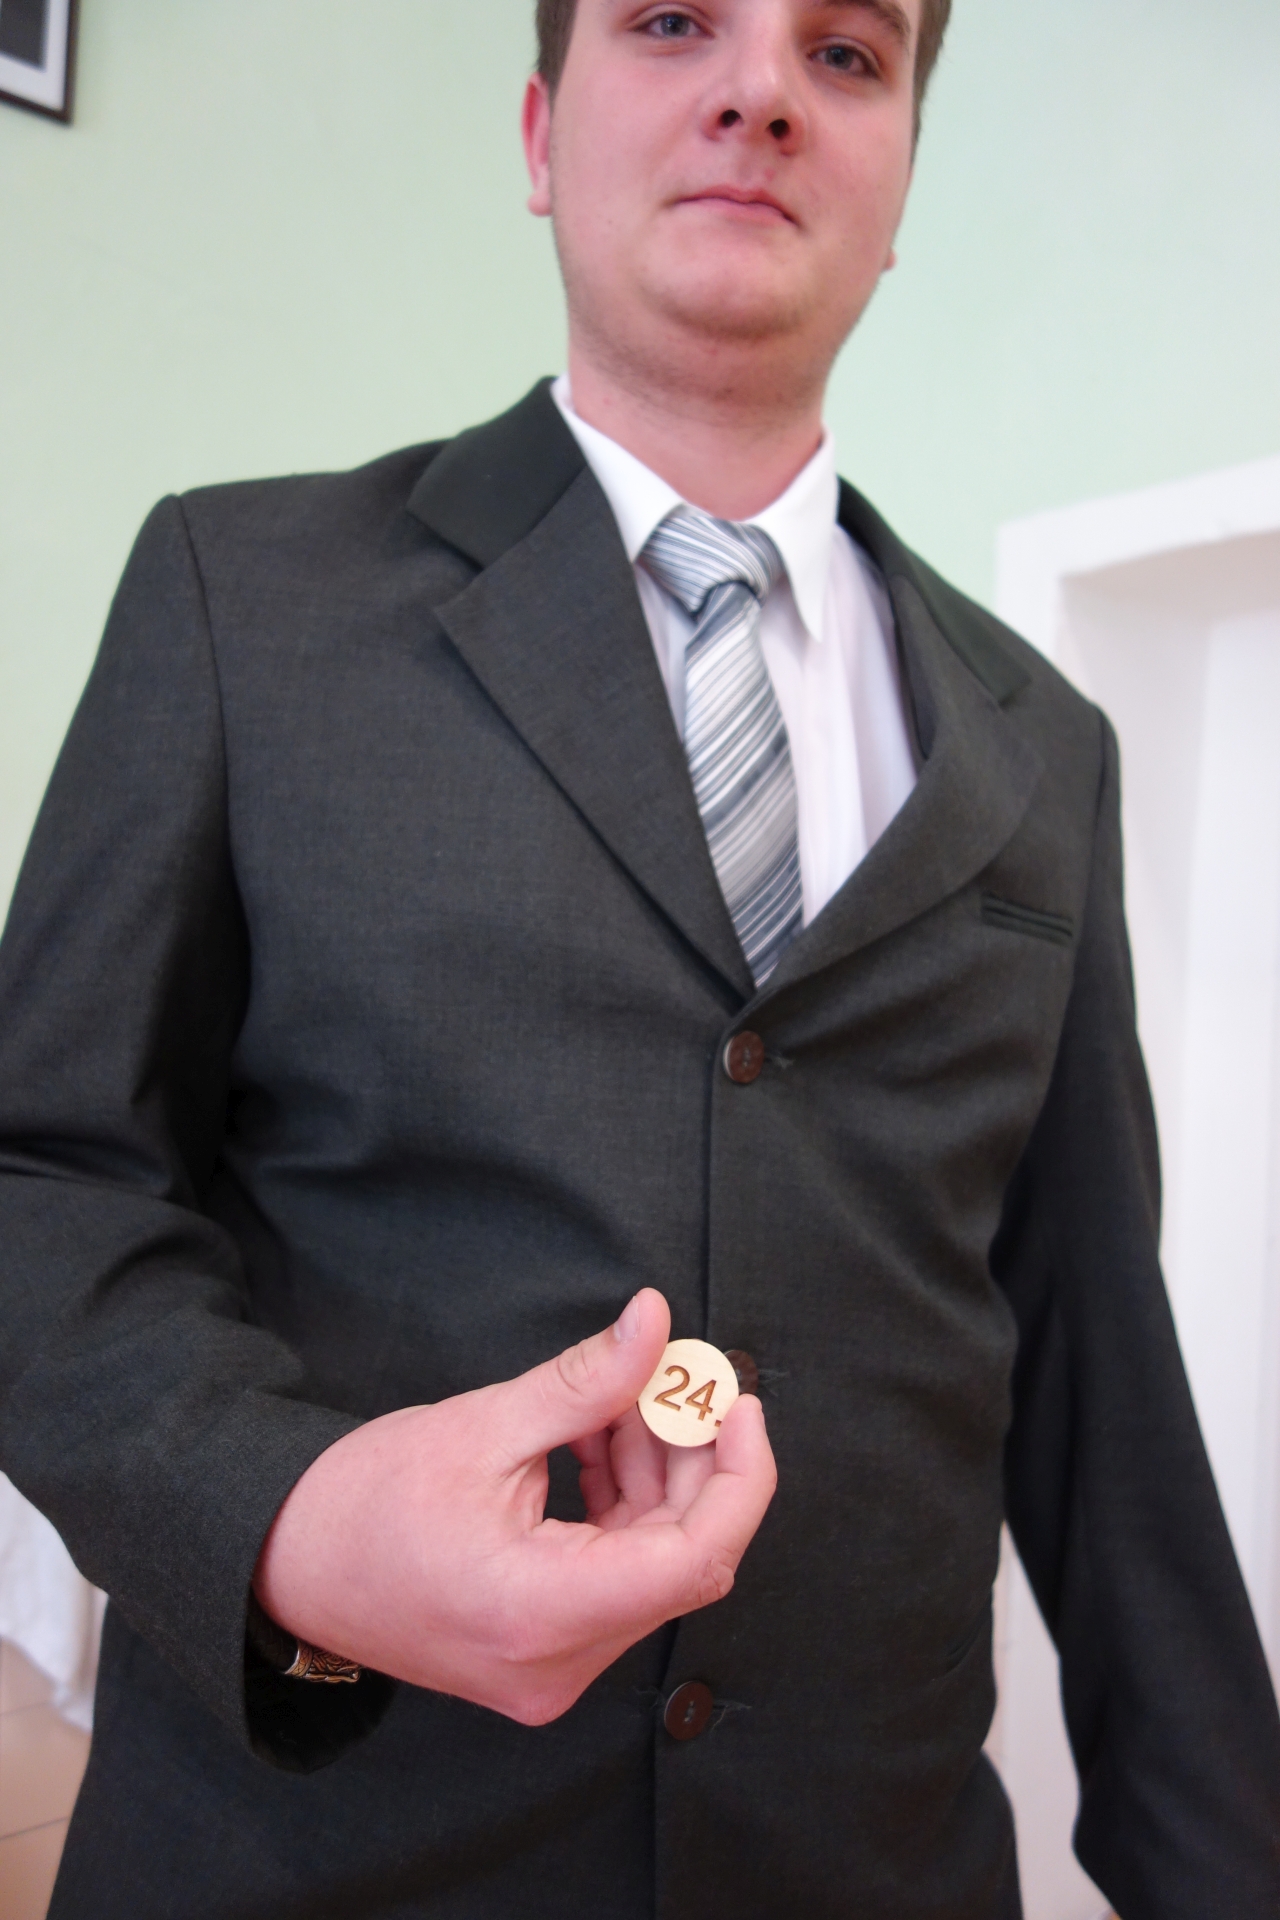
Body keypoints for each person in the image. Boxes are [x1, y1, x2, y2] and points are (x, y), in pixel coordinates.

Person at [1, 0, 1277, 1913]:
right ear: (540, 136)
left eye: (847, 54)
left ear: (903, 185)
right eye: (676, 21)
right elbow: (39, 1172)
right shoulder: (241, 602)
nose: (761, 90)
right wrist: (290, 1517)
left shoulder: (1047, 748)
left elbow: (1100, 1366)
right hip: (319, 1858)